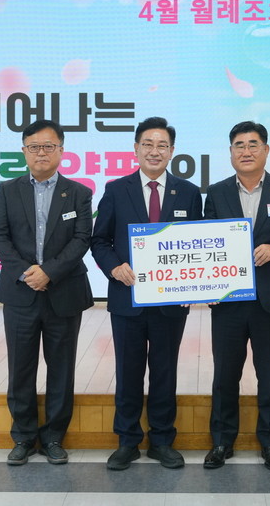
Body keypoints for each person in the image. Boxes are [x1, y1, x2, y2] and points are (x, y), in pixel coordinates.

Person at [91, 116, 203, 471]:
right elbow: (99, 240)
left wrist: (194, 283)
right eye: (148, 144)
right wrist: (114, 267)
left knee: (165, 372)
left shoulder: (188, 192)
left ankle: (162, 440)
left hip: (171, 302)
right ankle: (127, 441)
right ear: (136, 148)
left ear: (172, 151)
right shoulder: (116, 189)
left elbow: (197, 244)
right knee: (128, 372)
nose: (155, 151)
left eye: (162, 145)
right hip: (128, 298)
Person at [202, 121, 270, 471]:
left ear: (266, 150)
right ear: (230, 152)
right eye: (239, 145)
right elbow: (205, 241)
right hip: (228, 300)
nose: (246, 151)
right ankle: (222, 442)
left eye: (253, 144)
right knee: (225, 376)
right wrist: (207, 285)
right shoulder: (216, 193)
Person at [0, 119, 94, 466]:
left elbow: (82, 239)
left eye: (49, 146)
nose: (41, 153)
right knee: (21, 367)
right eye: (34, 147)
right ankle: (23, 436)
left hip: (63, 293)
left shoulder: (79, 193)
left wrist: (49, 271)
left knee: (61, 369)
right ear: (24, 152)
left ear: (61, 151)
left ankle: (53, 438)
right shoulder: (9, 190)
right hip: (20, 294)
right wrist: (26, 272)